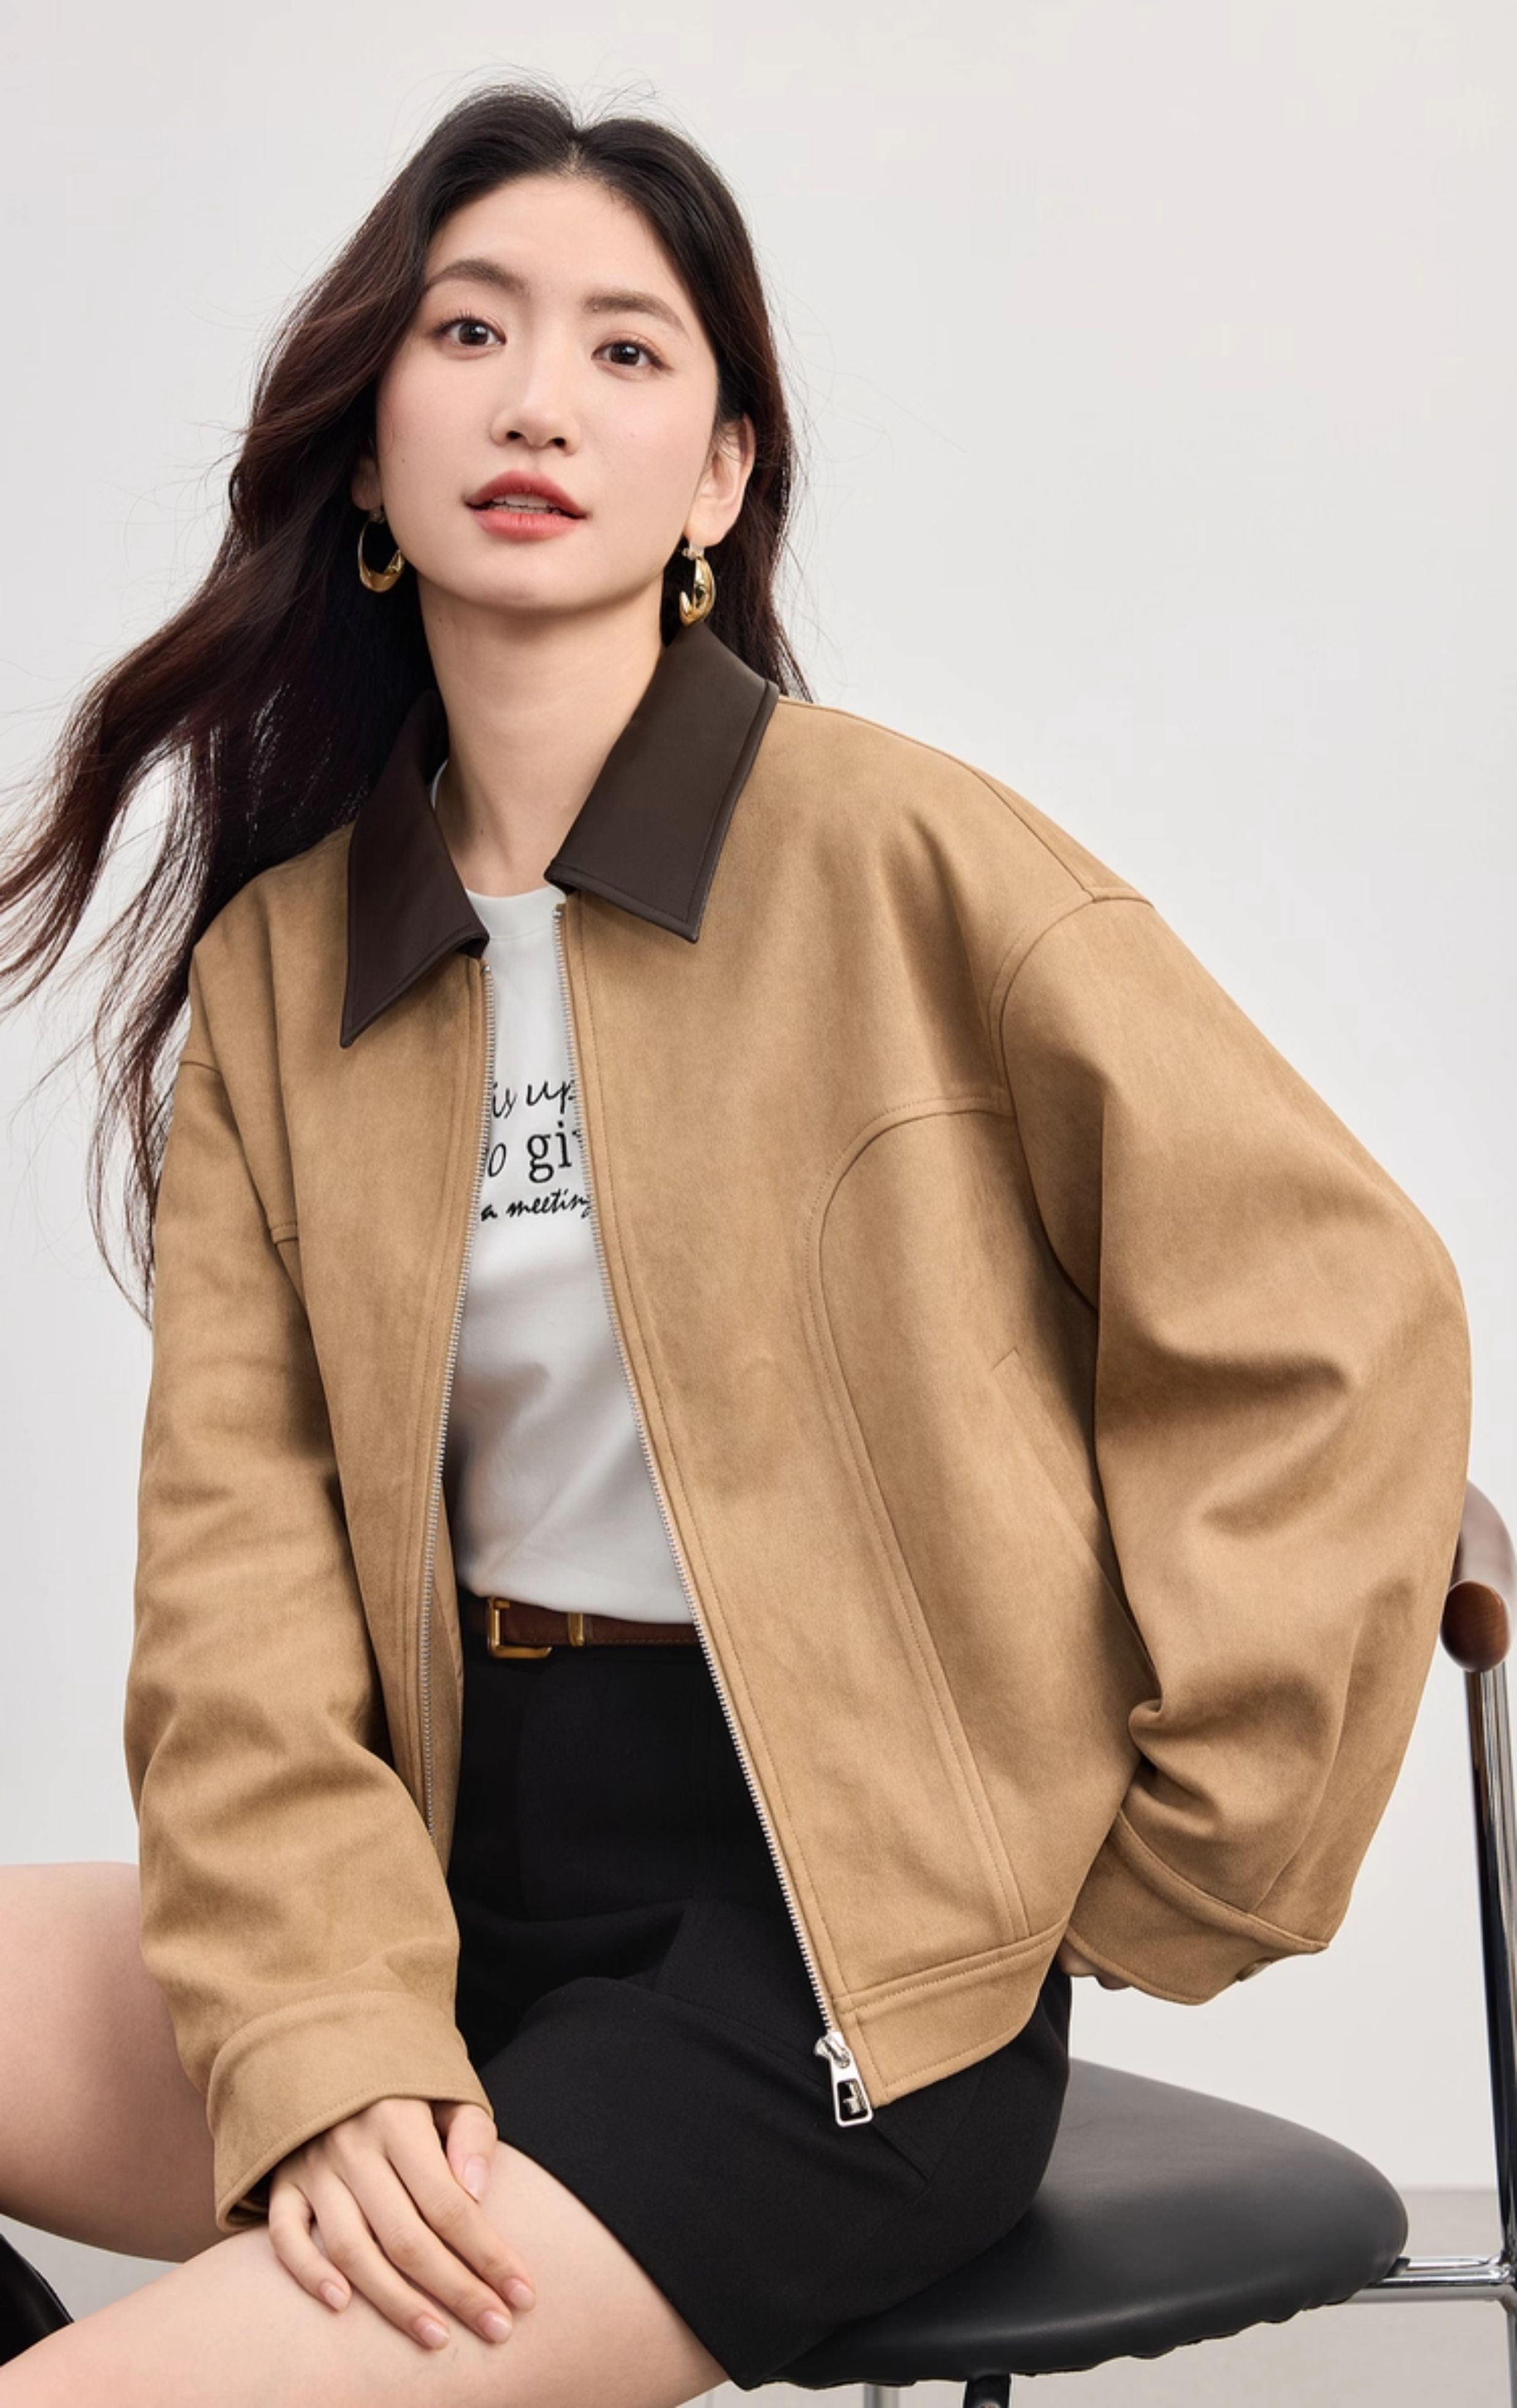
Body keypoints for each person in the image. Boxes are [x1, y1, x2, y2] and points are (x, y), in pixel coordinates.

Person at [0, 76, 1472, 2408]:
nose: (537, 402)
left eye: (626, 350)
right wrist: (331, 2029)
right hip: (429, 1884)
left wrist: (1157, 1868)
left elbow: (1335, 1319)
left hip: (823, 1970)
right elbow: (236, 1592)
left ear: (717, 478)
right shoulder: (288, 980)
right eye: (470, 331)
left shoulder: (896, 856)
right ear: (370, 451)